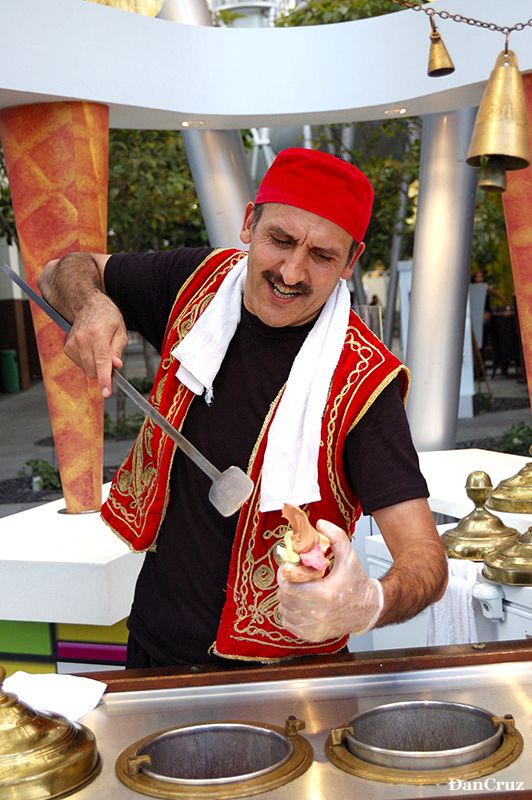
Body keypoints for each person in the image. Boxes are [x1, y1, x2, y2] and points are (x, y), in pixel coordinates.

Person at [38, 148, 448, 668]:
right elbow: (65, 269)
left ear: (350, 261)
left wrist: (368, 604)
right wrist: (93, 303)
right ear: (249, 223)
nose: (292, 272)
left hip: (290, 678)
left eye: (322, 256)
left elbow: (425, 561)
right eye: (280, 240)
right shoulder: (196, 284)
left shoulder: (363, 382)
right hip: (154, 645)